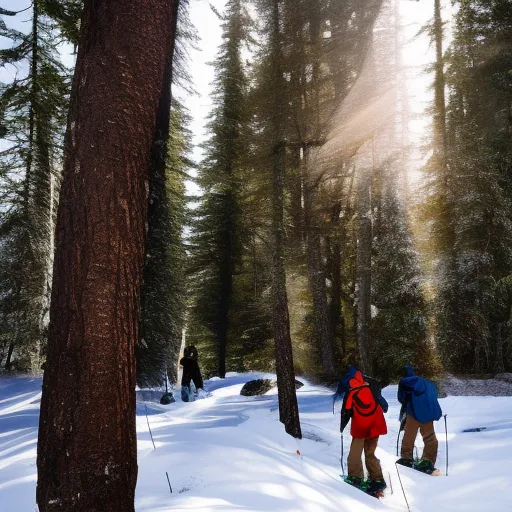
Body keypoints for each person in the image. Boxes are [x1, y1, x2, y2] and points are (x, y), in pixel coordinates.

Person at [339, 366, 388, 494]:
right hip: (376, 425)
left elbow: (346, 411)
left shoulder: (351, 391)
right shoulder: (371, 385)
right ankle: (377, 480)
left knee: (355, 453)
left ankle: (356, 478)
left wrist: (342, 426)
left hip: (361, 426)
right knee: (370, 453)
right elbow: (384, 404)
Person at [396, 364, 442, 474]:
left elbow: (401, 398)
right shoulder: (425, 382)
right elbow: (434, 395)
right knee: (429, 436)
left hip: (412, 412)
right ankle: (428, 460)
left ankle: (406, 459)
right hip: (427, 412)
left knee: (409, 436)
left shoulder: (404, 383)